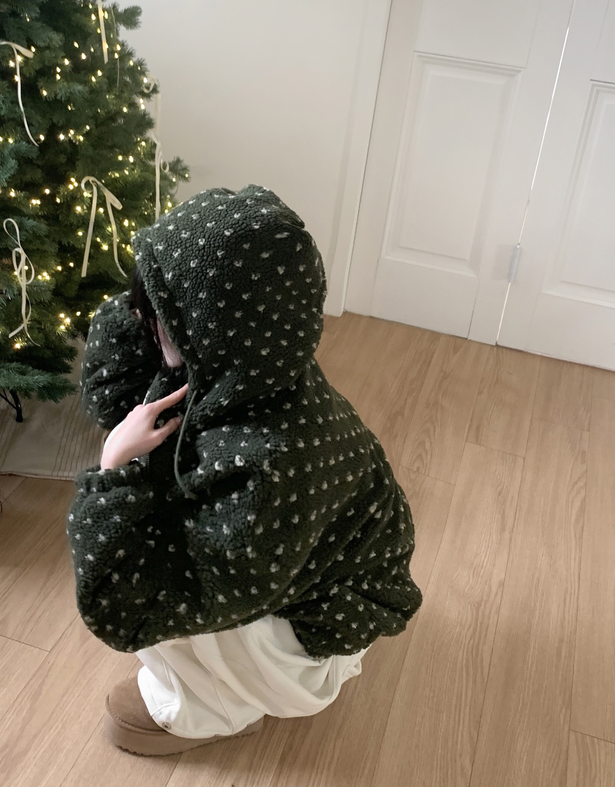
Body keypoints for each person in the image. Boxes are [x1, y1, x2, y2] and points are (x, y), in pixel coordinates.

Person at [66, 185, 422, 756]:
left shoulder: (267, 468)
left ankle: (216, 709)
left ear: (205, 322)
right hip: (312, 572)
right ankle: (226, 681)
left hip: (317, 631)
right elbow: (116, 392)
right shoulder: (258, 357)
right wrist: (152, 296)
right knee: (166, 518)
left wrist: (113, 468)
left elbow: (123, 607)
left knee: (160, 578)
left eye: (159, 314)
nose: (141, 320)